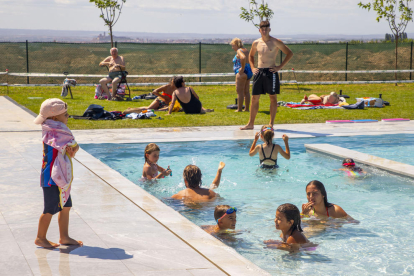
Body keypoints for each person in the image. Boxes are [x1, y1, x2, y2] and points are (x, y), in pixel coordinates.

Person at [33, 98, 82, 248]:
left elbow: (68, 148)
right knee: (49, 209)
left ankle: (64, 236)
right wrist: (74, 148)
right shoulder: (56, 130)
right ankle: (40, 238)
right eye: (65, 114)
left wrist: (71, 150)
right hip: (52, 178)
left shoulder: (52, 128)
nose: (68, 116)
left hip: (58, 176)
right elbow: (72, 145)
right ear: (55, 118)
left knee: (66, 206)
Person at [241, 21, 293, 130]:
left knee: (273, 98)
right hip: (259, 72)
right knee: (254, 98)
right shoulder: (256, 43)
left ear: (269, 29)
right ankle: (250, 124)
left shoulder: (276, 42)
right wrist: (252, 68)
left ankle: (271, 124)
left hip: (271, 72)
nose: (264, 31)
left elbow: (289, 53)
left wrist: (279, 67)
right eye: (262, 29)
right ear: (259, 30)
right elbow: (250, 56)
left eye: (266, 29)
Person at [231, 38, 252, 112]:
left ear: (237, 45)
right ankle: (246, 108)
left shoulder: (239, 50)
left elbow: (243, 58)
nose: (232, 47)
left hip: (242, 73)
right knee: (246, 91)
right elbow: (251, 59)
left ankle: (239, 109)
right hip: (249, 71)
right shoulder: (245, 50)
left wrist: (242, 68)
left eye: (233, 45)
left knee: (240, 91)